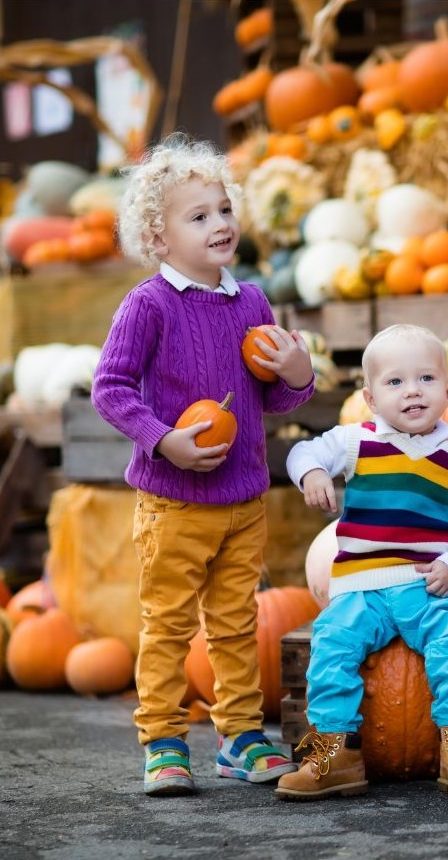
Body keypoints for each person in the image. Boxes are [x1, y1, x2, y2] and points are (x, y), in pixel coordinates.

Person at [92, 135, 316, 796]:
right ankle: (162, 739)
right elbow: (111, 388)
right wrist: (164, 440)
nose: (220, 224)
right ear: (159, 240)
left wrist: (299, 373)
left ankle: (240, 735)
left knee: (236, 621)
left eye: (224, 210)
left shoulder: (251, 304)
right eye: (199, 217)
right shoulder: (149, 305)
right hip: (174, 502)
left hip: (242, 500)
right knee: (167, 625)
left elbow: (274, 396)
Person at [275, 324, 448, 801]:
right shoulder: (356, 441)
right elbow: (302, 450)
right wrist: (314, 472)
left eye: (425, 378)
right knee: (332, 647)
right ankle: (338, 752)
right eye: (394, 382)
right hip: (362, 584)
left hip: (429, 582)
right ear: (371, 398)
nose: (412, 391)